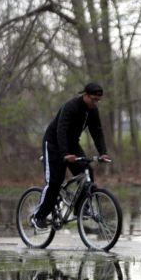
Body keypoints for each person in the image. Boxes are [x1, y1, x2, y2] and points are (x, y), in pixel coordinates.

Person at [31, 82, 111, 229]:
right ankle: (39, 216)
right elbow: (61, 130)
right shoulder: (71, 107)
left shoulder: (93, 111)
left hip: (72, 144)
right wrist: (65, 154)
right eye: (93, 99)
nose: (95, 103)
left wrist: (103, 152)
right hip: (54, 144)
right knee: (55, 182)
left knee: (87, 172)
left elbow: (97, 131)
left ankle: (80, 208)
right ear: (85, 95)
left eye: (98, 100)